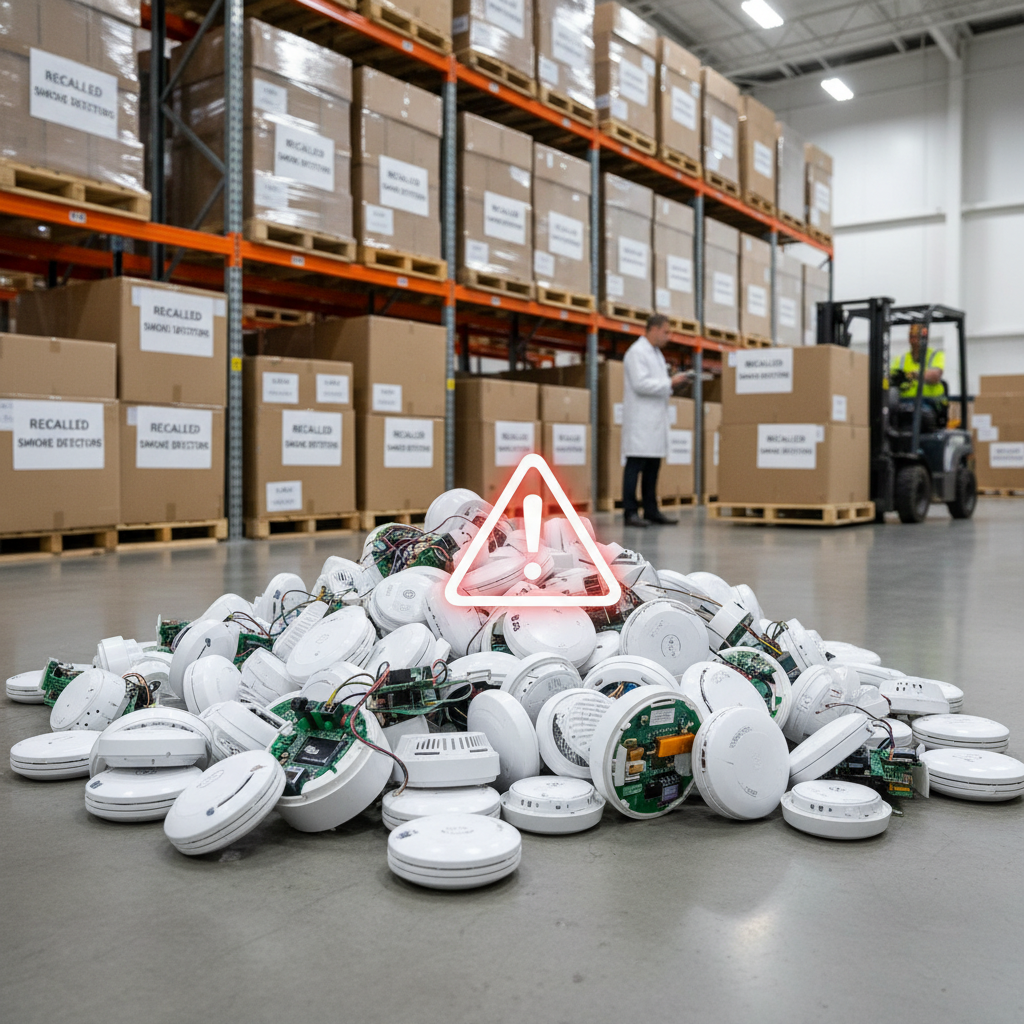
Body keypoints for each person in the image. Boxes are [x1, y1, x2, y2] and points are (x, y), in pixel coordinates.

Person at [620, 314, 687, 528]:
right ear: (654, 329)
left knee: (652, 468)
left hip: (655, 421)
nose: (669, 336)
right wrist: (670, 382)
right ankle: (630, 512)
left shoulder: (656, 354)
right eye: (666, 332)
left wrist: (672, 383)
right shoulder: (636, 352)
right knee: (635, 466)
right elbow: (640, 384)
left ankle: (651, 510)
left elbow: (658, 383)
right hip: (640, 421)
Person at [891, 323, 947, 429]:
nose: (914, 340)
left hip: (929, 403)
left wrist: (915, 374)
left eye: (916, 337)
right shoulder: (901, 359)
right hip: (904, 402)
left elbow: (935, 375)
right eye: (911, 337)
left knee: (916, 414)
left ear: (925, 338)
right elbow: (891, 375)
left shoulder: (935, 355)